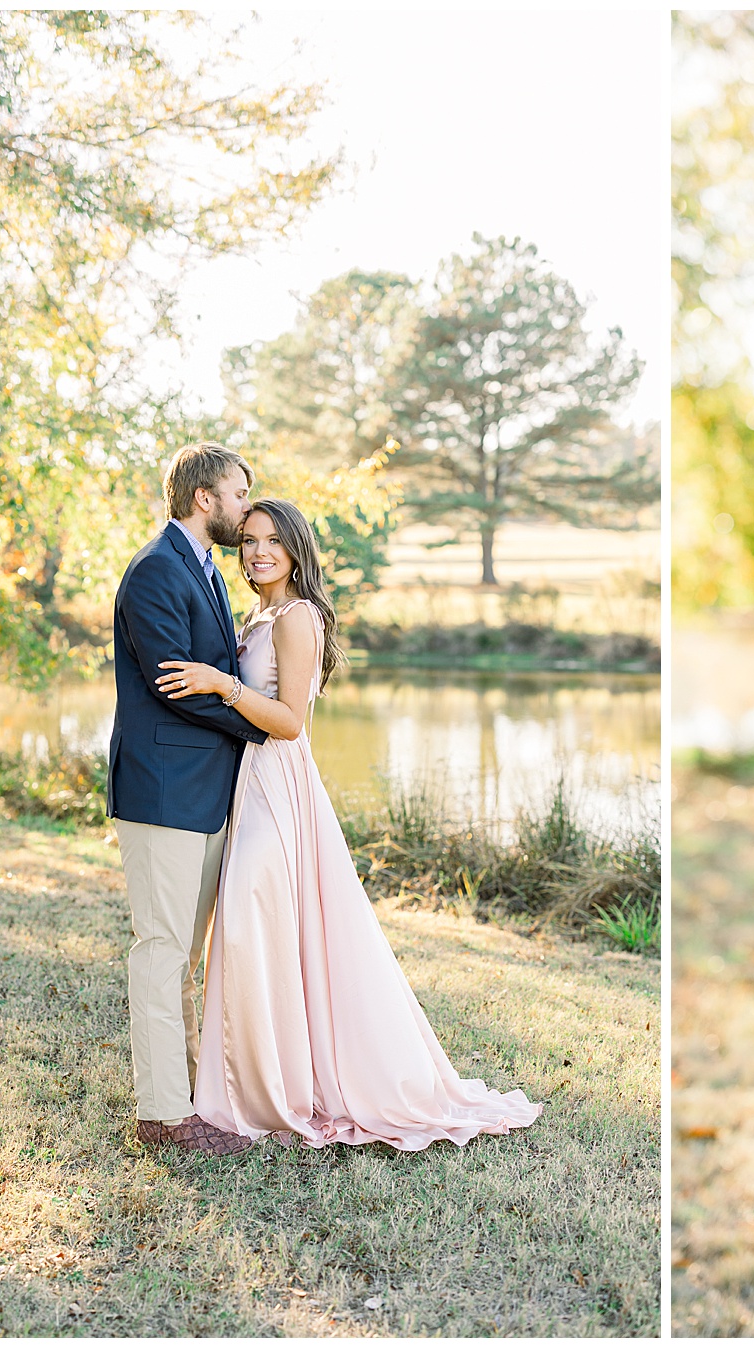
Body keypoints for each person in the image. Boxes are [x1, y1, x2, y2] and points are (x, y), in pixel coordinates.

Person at [155, 498, 543, 1150]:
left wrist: (220, 685)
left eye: (273, 541)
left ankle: (273, 1090)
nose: (258, 553)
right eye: (249, 540)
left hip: (279, 782)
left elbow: (288, 721)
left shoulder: (299, 616)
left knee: (252, 914)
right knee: (259, 927)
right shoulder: (257, 613)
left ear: (296, 549)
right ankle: (256, 1078)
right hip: (247, 784)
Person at [108, 442, 264, 1155]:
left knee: (188, 956)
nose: (243, 507)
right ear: (204, 498)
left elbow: (212, 675)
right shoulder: (154, 572)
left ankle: (194, 1098)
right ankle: (163, 1116)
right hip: (164, 792)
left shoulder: (204, 572)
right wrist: (266, 726)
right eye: (237, 495)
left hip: (203, 794)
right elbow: (178, 683)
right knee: (161, 950)